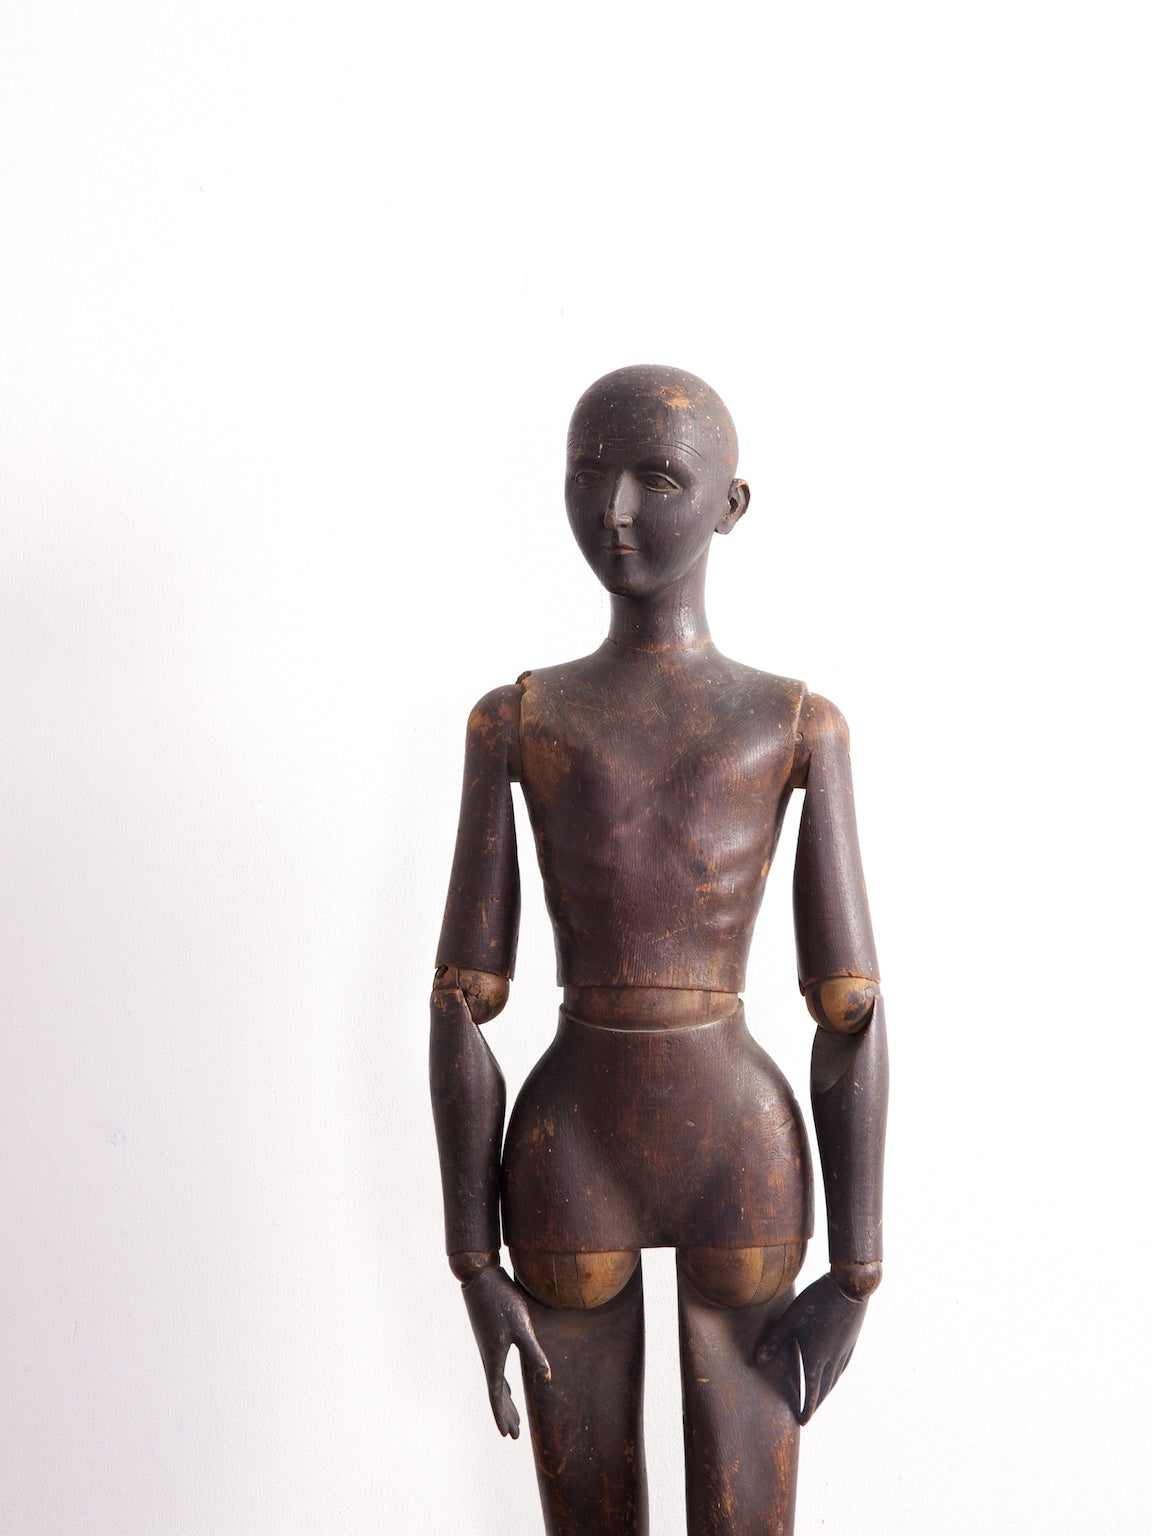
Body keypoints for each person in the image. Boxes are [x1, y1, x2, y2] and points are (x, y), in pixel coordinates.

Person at [430, 364, 888, 1536]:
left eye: (659, 478)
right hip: (664, 1143)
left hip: (638, 1140)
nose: (617, 509)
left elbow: (851, 1008)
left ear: (732, 504)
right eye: (588, 475)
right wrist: (471, 1262)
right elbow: (461, 1001)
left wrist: (858, 1272)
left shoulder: (799, 726)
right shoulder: (516, 721)